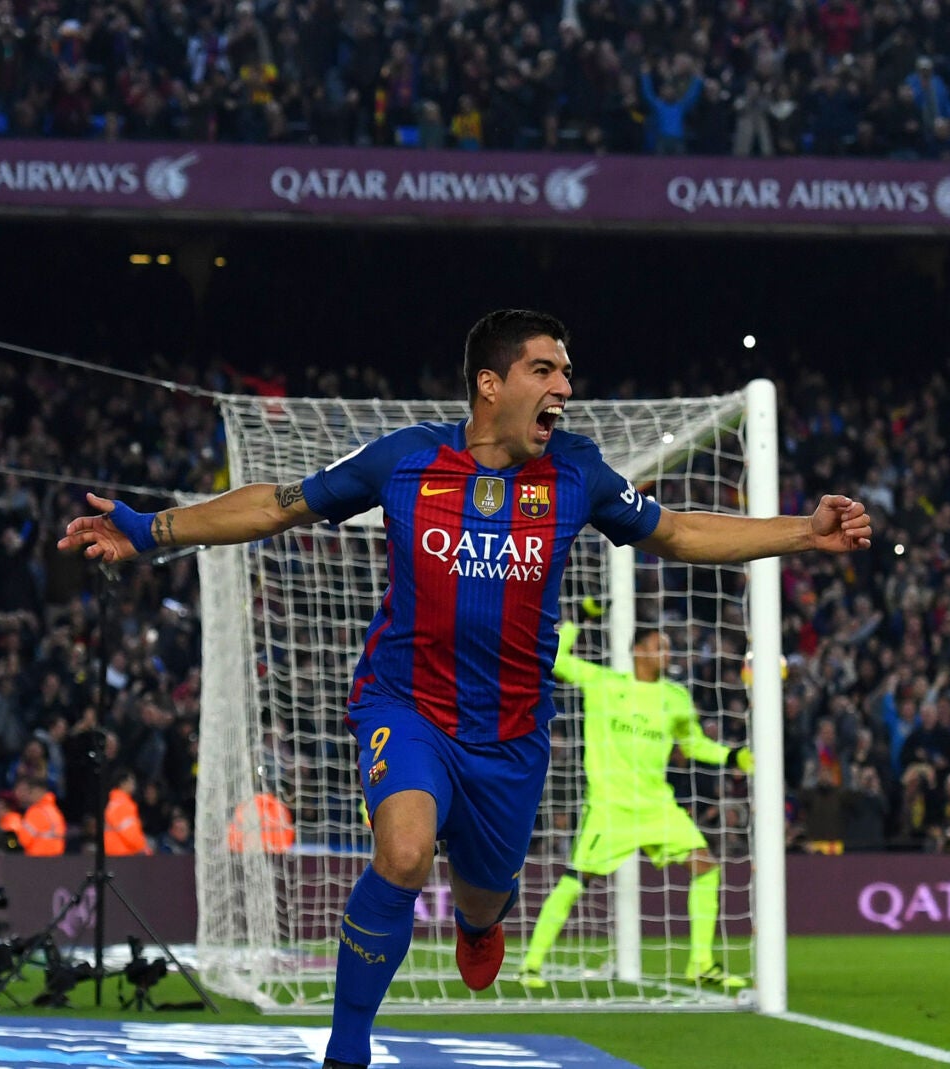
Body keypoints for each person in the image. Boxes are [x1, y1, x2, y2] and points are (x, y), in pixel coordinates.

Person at [58, 309, 871, 1069]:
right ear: (491, 384)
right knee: (405, 853)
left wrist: (804, 530)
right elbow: (276, 505)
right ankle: (347, 1052)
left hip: (511, 737)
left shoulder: (578, 473)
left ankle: (483, 922)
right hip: (405, 705)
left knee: (482, 901)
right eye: (545, 369)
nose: (565, 387)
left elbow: (680, 531)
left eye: (567, 372)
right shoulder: (405, 459)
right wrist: (149, 530)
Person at [518, 621, 752, 989]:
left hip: (657, 805)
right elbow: (555, 659)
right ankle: (530, 964)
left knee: (706, 867)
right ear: (638, 650)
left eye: (669, 647)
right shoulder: (605, 683)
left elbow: (693, 746)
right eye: (659, 645)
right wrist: (583, 617)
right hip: (611, 808)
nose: (667, 653)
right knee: (577, 880)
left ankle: (701, 962)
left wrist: (732, 756)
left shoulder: (675, 698)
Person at [105, 768, 153, 856]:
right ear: (123, 783)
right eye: (131, 781)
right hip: (124, 854)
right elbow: (129, 832)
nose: (134, 785)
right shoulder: (123, 804)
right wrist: (143, 848)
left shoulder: (113, 802)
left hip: (113, 853)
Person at [17, 776, 68, 857]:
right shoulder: (55, 811)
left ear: (38, 791)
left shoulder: (35, 811)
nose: (28, 796)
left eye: (30, 792)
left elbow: (23, 840)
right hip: (57, 859)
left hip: (37, 860)